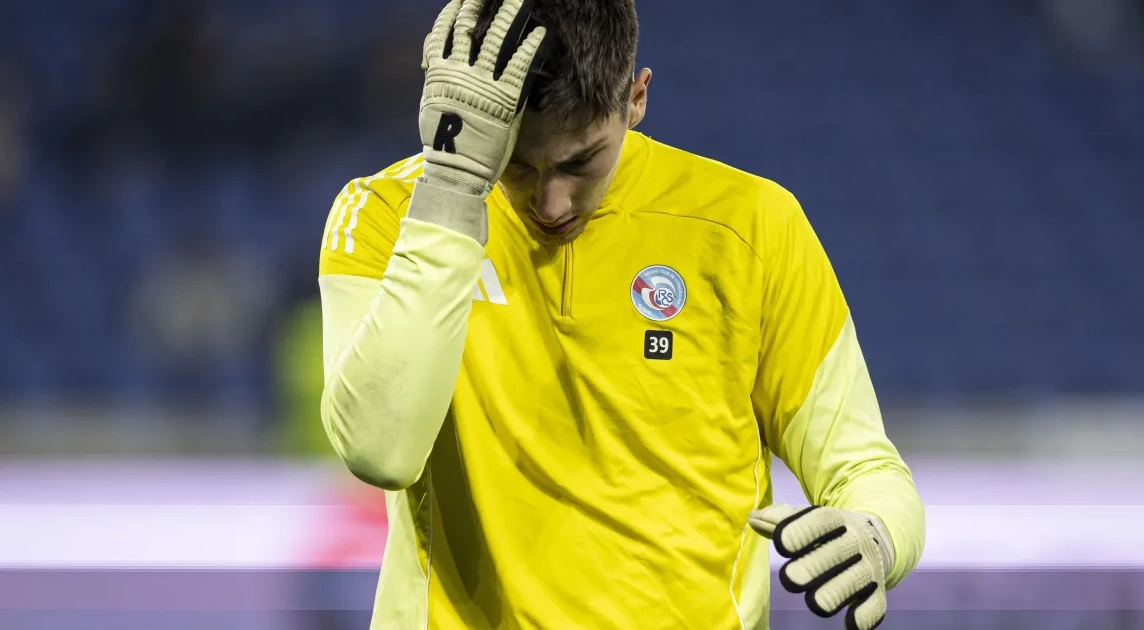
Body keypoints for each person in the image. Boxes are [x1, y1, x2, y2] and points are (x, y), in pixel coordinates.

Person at [317, 0, 926, 628]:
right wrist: (451, 192)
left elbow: (864, 467)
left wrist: (877, 535)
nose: (551, 203)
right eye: (517, 163)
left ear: (636, 99)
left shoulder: (751, 227)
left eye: (580, 161)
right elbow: (380, 451)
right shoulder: (388, 216)